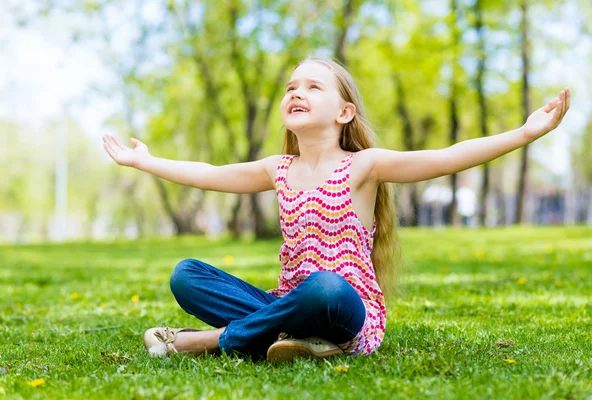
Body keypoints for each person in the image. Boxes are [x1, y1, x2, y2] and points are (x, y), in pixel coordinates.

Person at [102, 56, 570, 362]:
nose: (296, 92)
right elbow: (208, 172)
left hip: (345, 307)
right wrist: (145, 161)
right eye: (291, 86)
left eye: (313, 87)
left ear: (344, 112)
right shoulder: (277, 168)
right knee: (187, 274)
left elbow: (444, 157)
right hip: (289, 302)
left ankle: (209, 341)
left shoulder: (364, 166)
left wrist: (524, 134)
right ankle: (300, 343)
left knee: (324, 287)